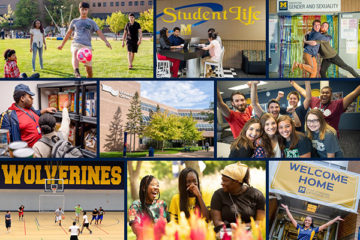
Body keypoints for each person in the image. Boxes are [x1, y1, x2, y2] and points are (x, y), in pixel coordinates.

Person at [58, 1, 112, 78]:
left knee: (89, 71)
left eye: (85, 9)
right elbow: (68, 33)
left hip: (87, 46)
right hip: (76, 43)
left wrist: (106, 42)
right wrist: (62, 45)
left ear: (88, 10)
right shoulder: (74, 21)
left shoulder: (91, 22)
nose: (84, 11)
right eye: (82, 9)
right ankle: (77, 72)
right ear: (79, 9)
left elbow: (99, 32)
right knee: (75, 52)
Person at [211, 163, 265, 235]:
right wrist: (229, 226)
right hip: (226, 234)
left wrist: (241, 227)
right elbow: (217, 221)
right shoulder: (218, 195)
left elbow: (261, 221)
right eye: (222, 180)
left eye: (225, 181)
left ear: (236, 182)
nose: (222, 183)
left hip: (251, 234)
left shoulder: (257, 195)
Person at [290, 82, 360, 136]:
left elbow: (354, 94)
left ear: (331, 95)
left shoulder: (337, 104)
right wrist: (293, 82)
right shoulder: (315, 101)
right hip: (315, 135)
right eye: (322, 93)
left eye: (327, 93)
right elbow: (302, 91)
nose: (324, 94)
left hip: (329, 136)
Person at [129, 175, 170, 239]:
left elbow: (169, 226)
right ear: (144, 188)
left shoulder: (162, 204)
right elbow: (136, 229)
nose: (156, 187)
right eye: (153, 185)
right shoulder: (135, 206)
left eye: (157, 185)